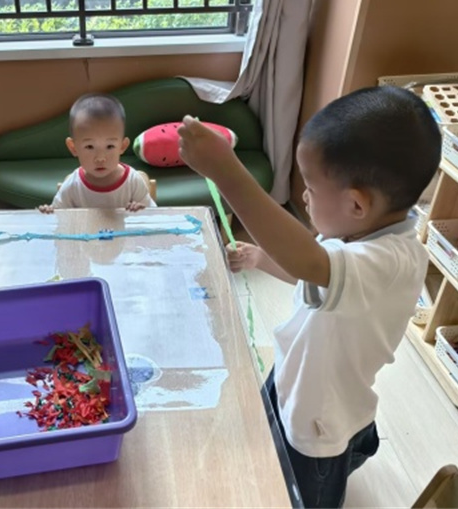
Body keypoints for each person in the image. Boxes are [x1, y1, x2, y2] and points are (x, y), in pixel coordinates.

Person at [178, 86, 440, 508]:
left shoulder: (389, 260)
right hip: (300, 372)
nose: (303, 196)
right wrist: (262, 258)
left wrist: (226, 171)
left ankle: (349, 451)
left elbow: (311, 263)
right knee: (271, 427)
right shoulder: (357, 233)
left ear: (357, 204)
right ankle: (355, 442)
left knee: (301, 490)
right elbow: (312, 276)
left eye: (312, 189)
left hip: (318, 421)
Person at [39, 93, 156, 213]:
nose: (100, 158)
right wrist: (49, 212)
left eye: (110, 146)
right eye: (89, 147)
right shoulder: (72, 186)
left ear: (122, 146)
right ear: (73, 148)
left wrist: (141, 210)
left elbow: (154, 215)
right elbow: (57, 217)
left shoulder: (132, 181)